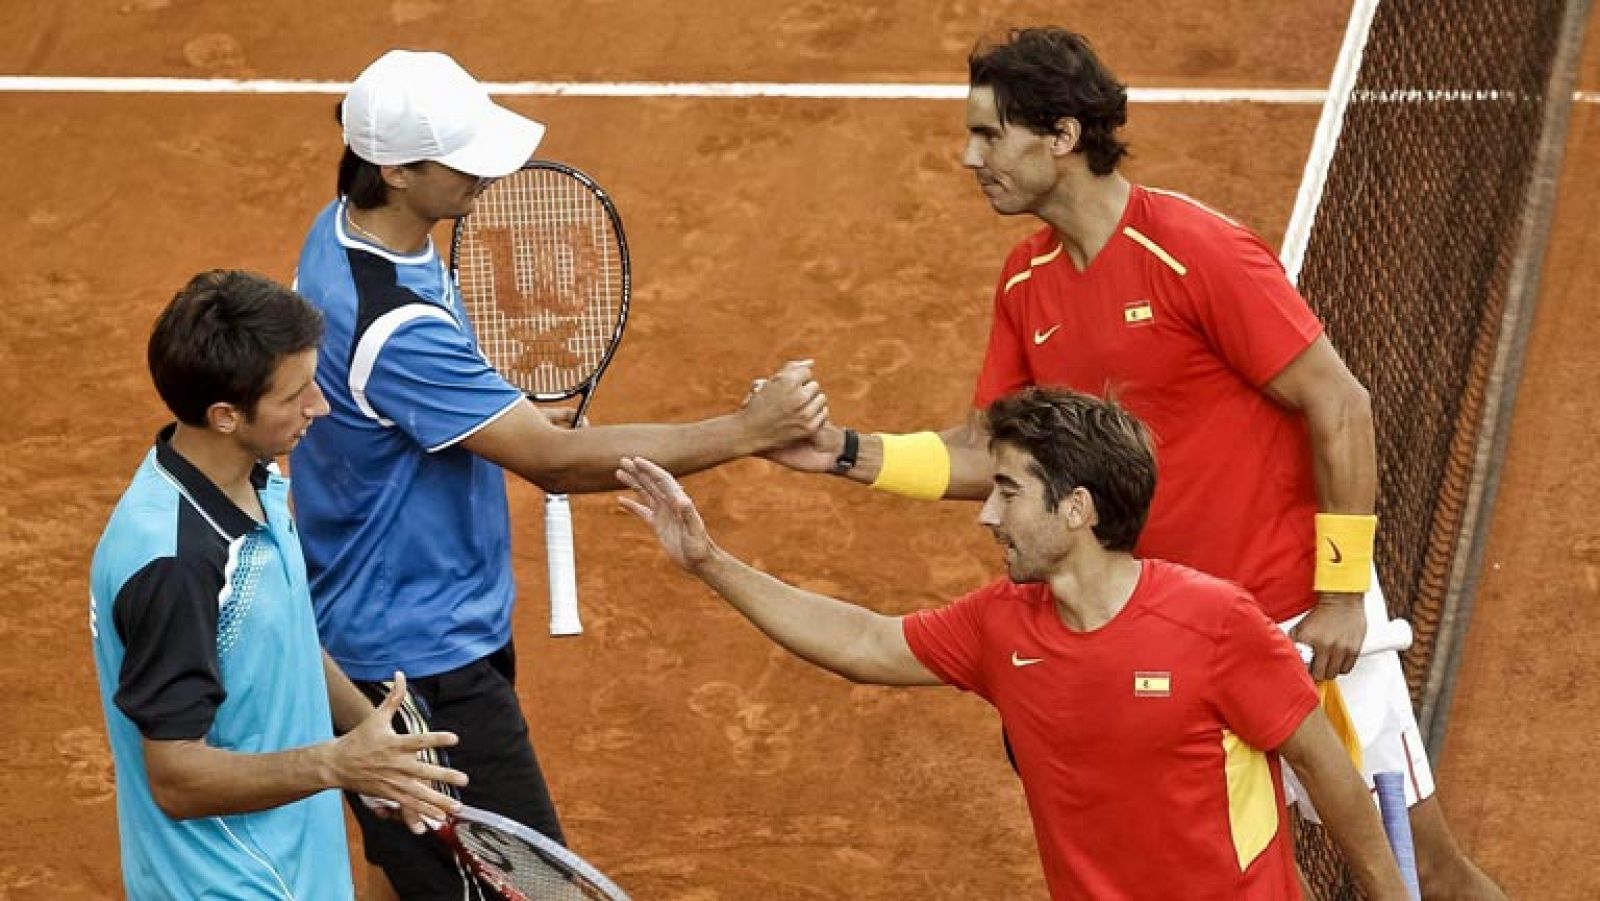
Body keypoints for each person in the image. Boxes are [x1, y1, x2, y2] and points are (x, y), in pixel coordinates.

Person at [766, 27, 1503, 899]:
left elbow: (1339, 402)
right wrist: (843, 454)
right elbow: (979, 449)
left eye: (990, 134)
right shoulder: (1024, 282)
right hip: (1166, 644)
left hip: (1298, 625)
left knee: (1425, 874)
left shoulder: (1194, 249)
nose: (969, 157)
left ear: (1063, 137)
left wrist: (1340, 592)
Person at [288, 49, 827, 899]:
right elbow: (556, 463)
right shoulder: (393, 324)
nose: (486, 170)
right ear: (393, 167)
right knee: (524, 883)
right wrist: (750, 429)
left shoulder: (348, 232)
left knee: (416, 857)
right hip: (418, 660)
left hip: (392, 619)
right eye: (460, 156)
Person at [621, 387, 1408, 899]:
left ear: (1077, 510)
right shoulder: (1003, 624)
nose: (986, 517)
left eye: (1007, 492)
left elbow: (1322, 764)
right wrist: (708, 562)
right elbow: (864, 641)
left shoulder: (1216, 625)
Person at [88, 270, 468, 899]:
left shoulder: (249, 477)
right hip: (231, 884)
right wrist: (339, 763)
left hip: (293, 867)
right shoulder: (177, 565)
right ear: (226, 415)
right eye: (296, 394)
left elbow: (281, 634)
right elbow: (176, 778)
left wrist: (376, 733)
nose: (318, 405)